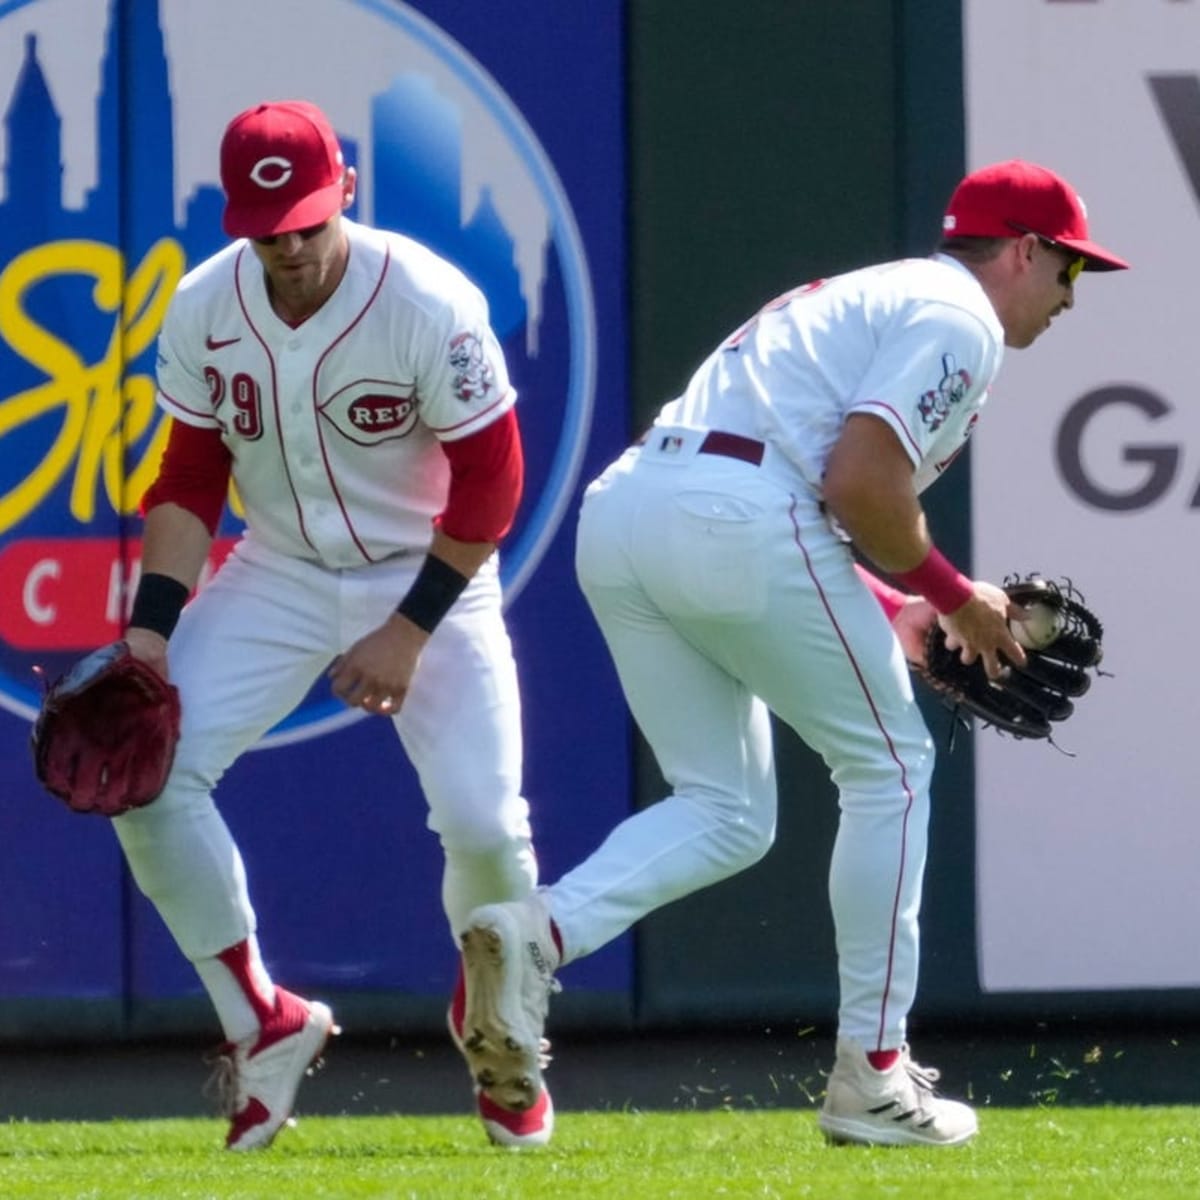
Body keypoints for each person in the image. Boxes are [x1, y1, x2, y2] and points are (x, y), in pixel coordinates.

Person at [458, 160, 1129, 1147]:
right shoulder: (959, 315)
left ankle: (534, 934)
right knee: (893, 765)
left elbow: (799, 480)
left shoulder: (878, 294)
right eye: (1070, 270)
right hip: (736, 516)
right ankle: (875, 1072)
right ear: (1024, 251)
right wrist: (955, 599)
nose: (1072, 296)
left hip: (634, 511)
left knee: (725, 809)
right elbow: (859, 485)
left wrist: (895, 606)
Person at [113, 100, 552, 1150]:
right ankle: (262, 1022)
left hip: (432, 568)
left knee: (487, 828)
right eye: (269, 232)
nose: (292, 246)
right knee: (148, 777)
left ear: (345, 187)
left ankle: (499, 1025)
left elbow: (493, 486)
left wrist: (408, 629)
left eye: (308, 221)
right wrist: (148, 637)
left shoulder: (427, 299)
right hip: (283, 569)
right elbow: (190, 474)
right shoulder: (205, 305)